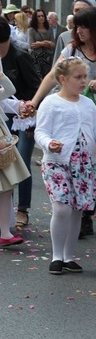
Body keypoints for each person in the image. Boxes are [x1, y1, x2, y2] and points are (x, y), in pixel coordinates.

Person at [29, 7, 96, 235]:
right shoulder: (71, 49)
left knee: (94, 162)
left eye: (83, 26)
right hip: (71, 110)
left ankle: (86, 212)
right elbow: (53, 76)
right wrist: (35, 101)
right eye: (76, 26)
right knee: (69, 157)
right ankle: (69, 207)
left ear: (95, 28)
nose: (78, 31)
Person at [34, 57, 96, 274]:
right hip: (57, 161)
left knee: (77, 209)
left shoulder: (88, 103)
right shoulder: (51, 103)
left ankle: (68, 256)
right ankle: (56, 255)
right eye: (78, 77)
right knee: (62, 206)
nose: (83, 81)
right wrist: (50, 144)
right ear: (62, 79)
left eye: (85, 76)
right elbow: (41, 132)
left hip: (85, 162)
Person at [0, 20, 41, 232]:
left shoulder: (20, 55)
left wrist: (29, 111)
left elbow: (36, 87)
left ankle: (22, 209)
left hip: (24, 118)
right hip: (4, 118)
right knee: (5, 168)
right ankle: (5, 217)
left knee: (22, 163)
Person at [0, 60, 31, 247]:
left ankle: (4, 232)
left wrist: (2, 76)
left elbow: (9, 91)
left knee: (5, 188)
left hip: (2, 138)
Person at [53, 0, 96, 64]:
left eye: (84, 10)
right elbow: (56, 69)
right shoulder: (64, 37)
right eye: (77, 10)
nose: (80, 14)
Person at [28, 8, 55, 76]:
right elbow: (32, 45)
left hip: (48, 58)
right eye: (39, 16)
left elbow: (53, 44)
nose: (41, 18)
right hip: (36, 58)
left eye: (42, 16)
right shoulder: (32, 30)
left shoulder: (49, 29)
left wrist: (40, 43)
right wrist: (46, 43)